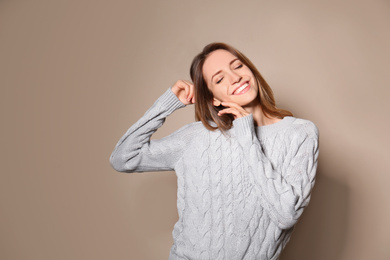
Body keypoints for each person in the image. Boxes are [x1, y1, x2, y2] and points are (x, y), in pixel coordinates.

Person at [110, 42, 319, 260]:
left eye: (237, 66)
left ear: (251, 71)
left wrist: (246, 136)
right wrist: (167, 104)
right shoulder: (197, 137)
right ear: (213, 99)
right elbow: (123, 158)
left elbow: (286, 215)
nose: (235, 77)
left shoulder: (299, 133)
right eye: (219, 79)